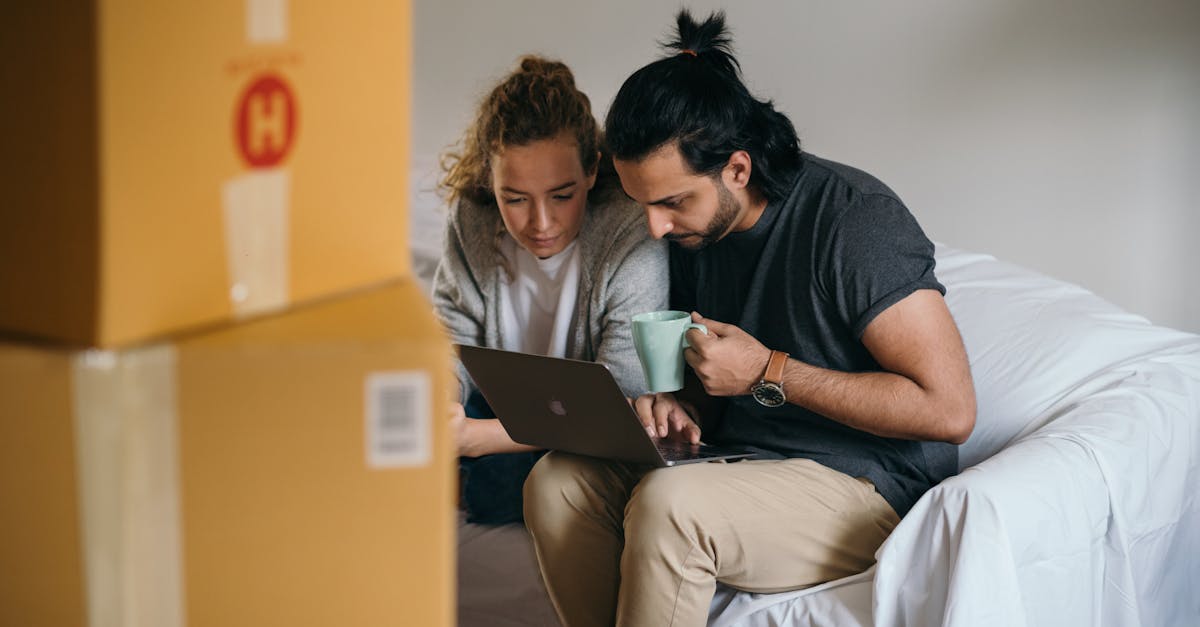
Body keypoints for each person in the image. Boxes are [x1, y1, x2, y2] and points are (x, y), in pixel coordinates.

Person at [522, 10, 977, 627]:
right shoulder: (693, 235)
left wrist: (767, 370)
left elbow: (949, 410)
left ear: (737, 168)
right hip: (737, 461)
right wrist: (679, 407)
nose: (655, 226)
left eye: (672, 202)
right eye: (643, 204)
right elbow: (715, 387)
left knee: (672, 505)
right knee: (556, 483)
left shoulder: (854, 221)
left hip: (868, 487)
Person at [433, 55, 668, 525]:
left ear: (592, 171)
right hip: (494, 404)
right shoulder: (472, 219)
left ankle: (468, 484)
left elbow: (623, 401)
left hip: (587, 426)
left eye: (562, 195)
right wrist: (442, 406)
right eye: (514, 199)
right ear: (489, 180)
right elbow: (448, 342)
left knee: (564, 480)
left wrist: (478, 440)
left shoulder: (630, 230)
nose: (541, 223)